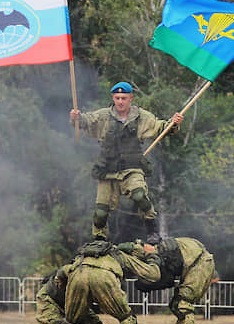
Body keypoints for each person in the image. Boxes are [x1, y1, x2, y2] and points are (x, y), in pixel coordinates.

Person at [70, 82, 183, 243]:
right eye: (117, 98)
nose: (120, 101)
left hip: (132, 167)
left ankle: (152, 232)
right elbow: (87, 120)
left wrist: (173, 123)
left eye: (124, 98)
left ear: (131, 98)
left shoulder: (141, 116)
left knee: (140, 196)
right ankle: (99, 240)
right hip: (107, 169)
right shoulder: (104, 115)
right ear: (113, 98)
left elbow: (160, 127)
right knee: (101, 212)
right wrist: (77, 117)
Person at [51, 239, 161, 324]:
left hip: (78, 275)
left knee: (69, 322)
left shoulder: (85, 256)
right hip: (103, 277)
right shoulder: (121, 255)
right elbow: (153, 275)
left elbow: (62, 273)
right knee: (128, 320)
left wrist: (65, 288)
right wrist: (153, 256)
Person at [136, 237, 215, 324]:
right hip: (194, 263)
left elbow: (167, 280)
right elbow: (169, 281)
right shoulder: (157, 254)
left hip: (199, 263)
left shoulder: (159, 254)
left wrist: (148, 284)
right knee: (176, 304)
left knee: (183, 304)